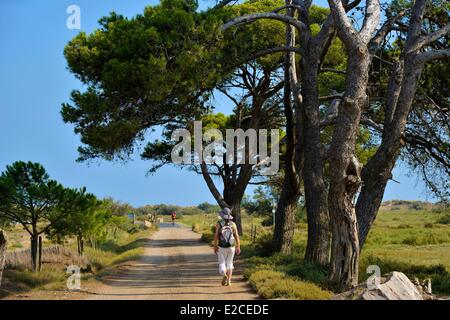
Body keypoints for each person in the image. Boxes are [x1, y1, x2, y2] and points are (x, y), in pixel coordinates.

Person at [214, 208, 241, 286]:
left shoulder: (219, 223)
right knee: (230, 263)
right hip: (231, 246)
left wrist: (215, 246)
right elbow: (236, 236)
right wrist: (238, 246)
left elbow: (216, 236)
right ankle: (229, 281)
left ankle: (224, 275)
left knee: (222, 263)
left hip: (221, 246)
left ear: (222, 215)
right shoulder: (233, 224)